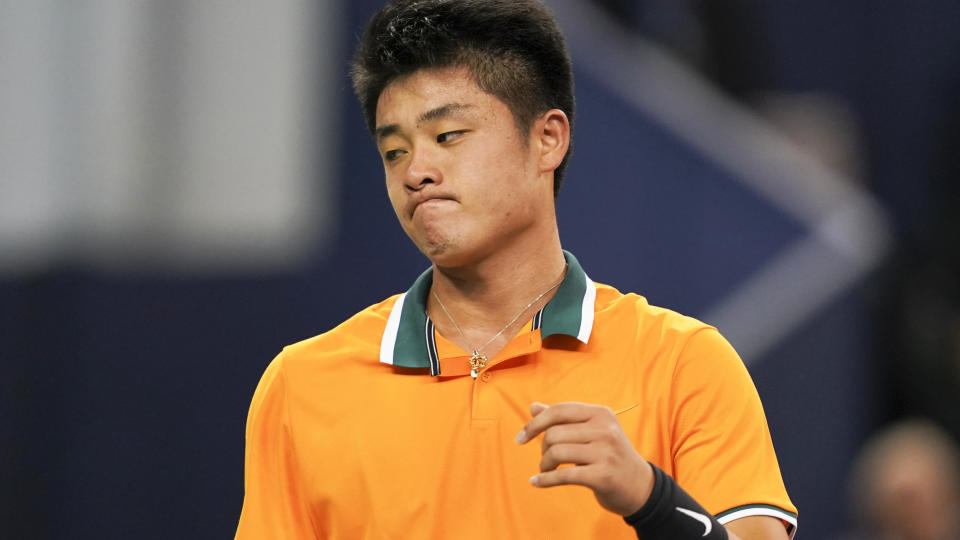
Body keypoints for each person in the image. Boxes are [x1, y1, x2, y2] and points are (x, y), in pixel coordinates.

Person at [235, 1, 796, 538]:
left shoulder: (683, 363)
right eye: (394, 152)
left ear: (547, 139)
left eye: (447, 136)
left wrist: (652, 499)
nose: (416, 172)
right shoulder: (300, 386)